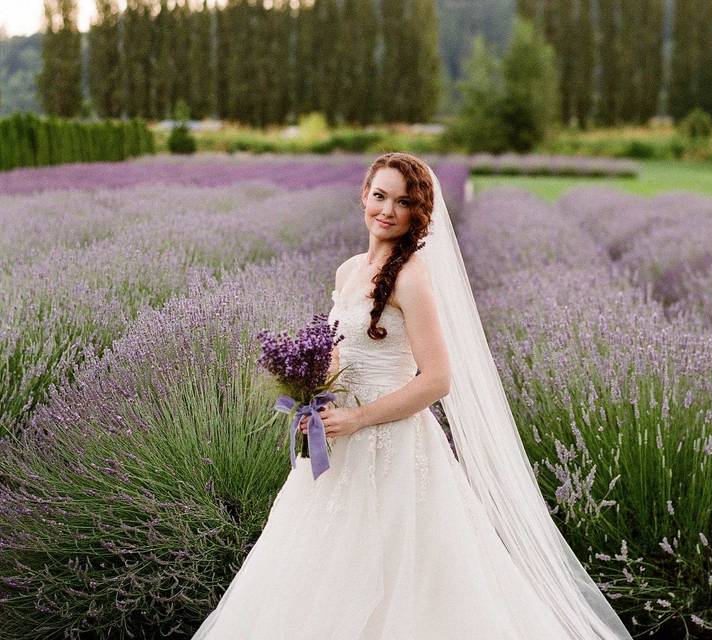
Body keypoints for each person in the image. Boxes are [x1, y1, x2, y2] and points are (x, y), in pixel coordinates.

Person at [191, 152, 632, 639]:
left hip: (395, 444)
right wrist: (312, 396)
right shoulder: (348, 271)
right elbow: (342, 355)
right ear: (364, 195)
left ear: (417, 213)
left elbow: (437, 379)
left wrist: (359, 419)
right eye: (379, 196)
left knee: (407, 575)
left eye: (402, 202)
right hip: (339, 444)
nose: (387, 210)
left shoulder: (412, 276)